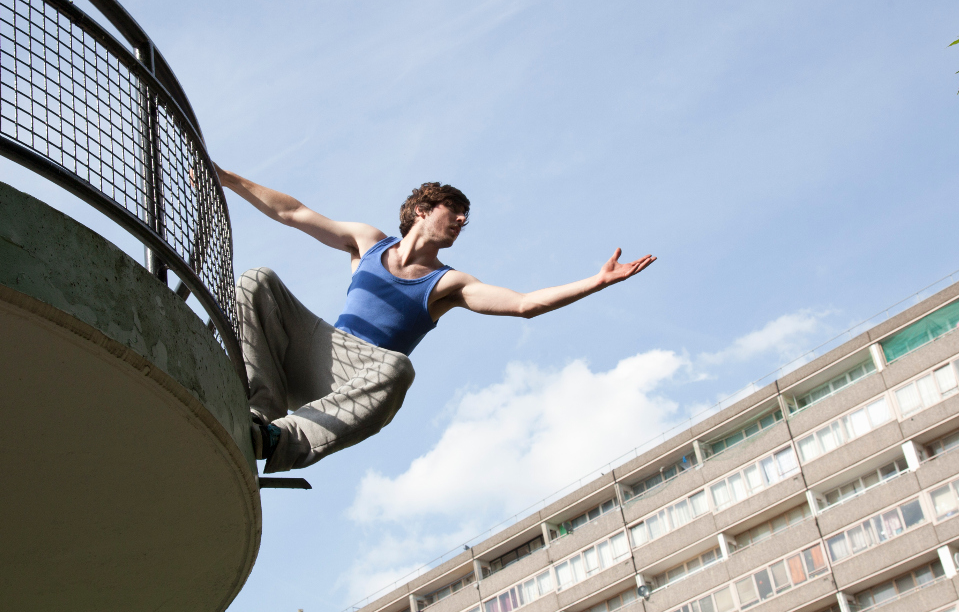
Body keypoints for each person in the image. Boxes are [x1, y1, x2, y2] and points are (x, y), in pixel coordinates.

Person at [213, 168, 655, 472]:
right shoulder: (367, 242)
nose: (462, 220)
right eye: (453, 211)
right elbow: (292, 213)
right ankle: (255, 415)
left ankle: (274, 441)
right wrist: (227, 178)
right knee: (258, 281)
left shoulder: (449, 283)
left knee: (397, 367)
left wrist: (595, 282)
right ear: (422, 211)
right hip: (322, 355)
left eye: (465, 216)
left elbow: (524, 304)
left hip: (367, 377)